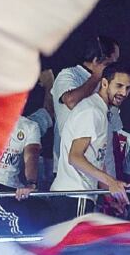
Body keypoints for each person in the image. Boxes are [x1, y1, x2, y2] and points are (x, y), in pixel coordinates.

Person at [50, 63, 130, 218]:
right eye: (119, 86)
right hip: (74, 196)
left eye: (128, 88)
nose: (123, 92)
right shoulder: (92, 111)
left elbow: (96, 160)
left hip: (77, 197)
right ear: (104, 83)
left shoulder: (98, 110)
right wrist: (111, 182)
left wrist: (108, 196)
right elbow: (74, 157)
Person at [51, 35, 121, 170]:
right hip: (69, 168)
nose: (115, 68)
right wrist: (96, 77)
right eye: (112, 62)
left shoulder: (106, 84)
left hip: (101, 169)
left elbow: (114, 129)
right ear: (97, 60)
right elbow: (70, 101)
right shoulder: (69, 75)